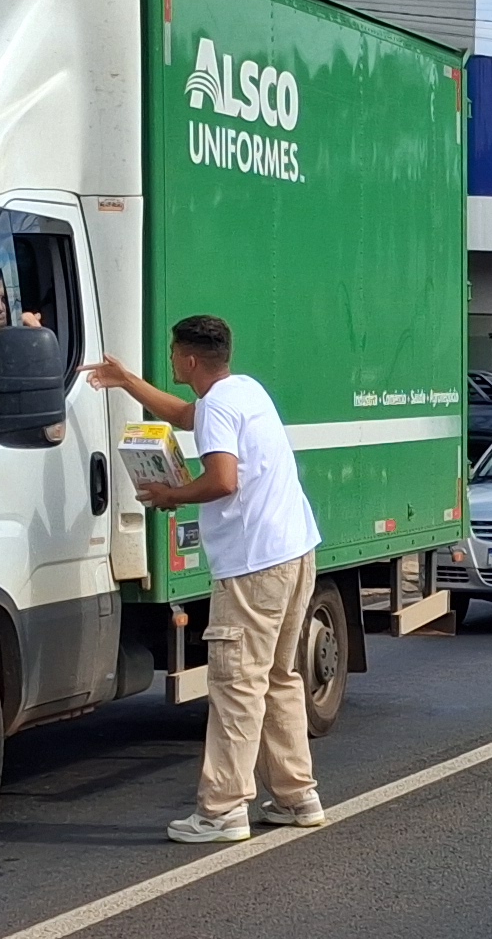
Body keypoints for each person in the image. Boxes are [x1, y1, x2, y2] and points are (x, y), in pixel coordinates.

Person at [85, 315, 327, 844]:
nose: (170, 361)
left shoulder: (219, 404)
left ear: (190, 359)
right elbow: (188, 416)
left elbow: (222, 480)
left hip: (252, 564)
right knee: (278, 678)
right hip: (294, 551)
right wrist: (128, 381)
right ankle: (296, 796)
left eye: (173, 354)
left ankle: (222, 811)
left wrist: (171, 496)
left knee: (237, 685)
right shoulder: (243, 391)